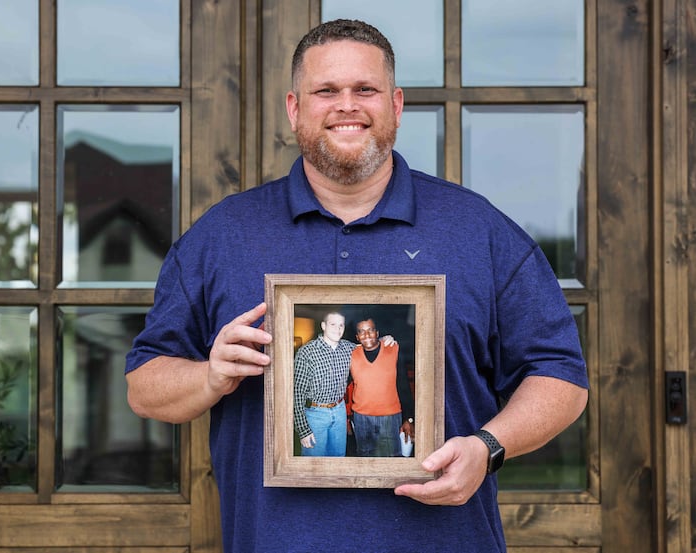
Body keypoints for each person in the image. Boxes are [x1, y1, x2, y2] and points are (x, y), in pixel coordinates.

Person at [125, 18, 588, 553]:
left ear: (395, 104)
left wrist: (488, 447)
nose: (347, 105)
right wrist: (211, 375)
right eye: (327, 91)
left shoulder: (477, 230)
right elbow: (144, 386)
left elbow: (562, 378)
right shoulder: (223, 236)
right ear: (295, 108)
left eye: (364, 89)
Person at [348, 317, 414, 457]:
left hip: (390, 417)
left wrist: (408, 418)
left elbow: (403, 385)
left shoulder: (393, 349)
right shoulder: (351, 355)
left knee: (390, 457)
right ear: (357, 337)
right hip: (361, 418)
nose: (366, 335)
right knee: (365, 457)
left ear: (377, 333)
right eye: (362, 332)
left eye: (370, 330)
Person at [292, 311, 355, 456]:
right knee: (313, 464)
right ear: (323, 326)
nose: (338, 329)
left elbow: (367, 345)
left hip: (339, 412)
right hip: (315, 414)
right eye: (333, 324)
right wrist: (303, 430)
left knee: (338, 458)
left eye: (341, 325)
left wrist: (385, 339)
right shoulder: (306, 352)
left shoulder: (348, 348)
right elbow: (297, 393)